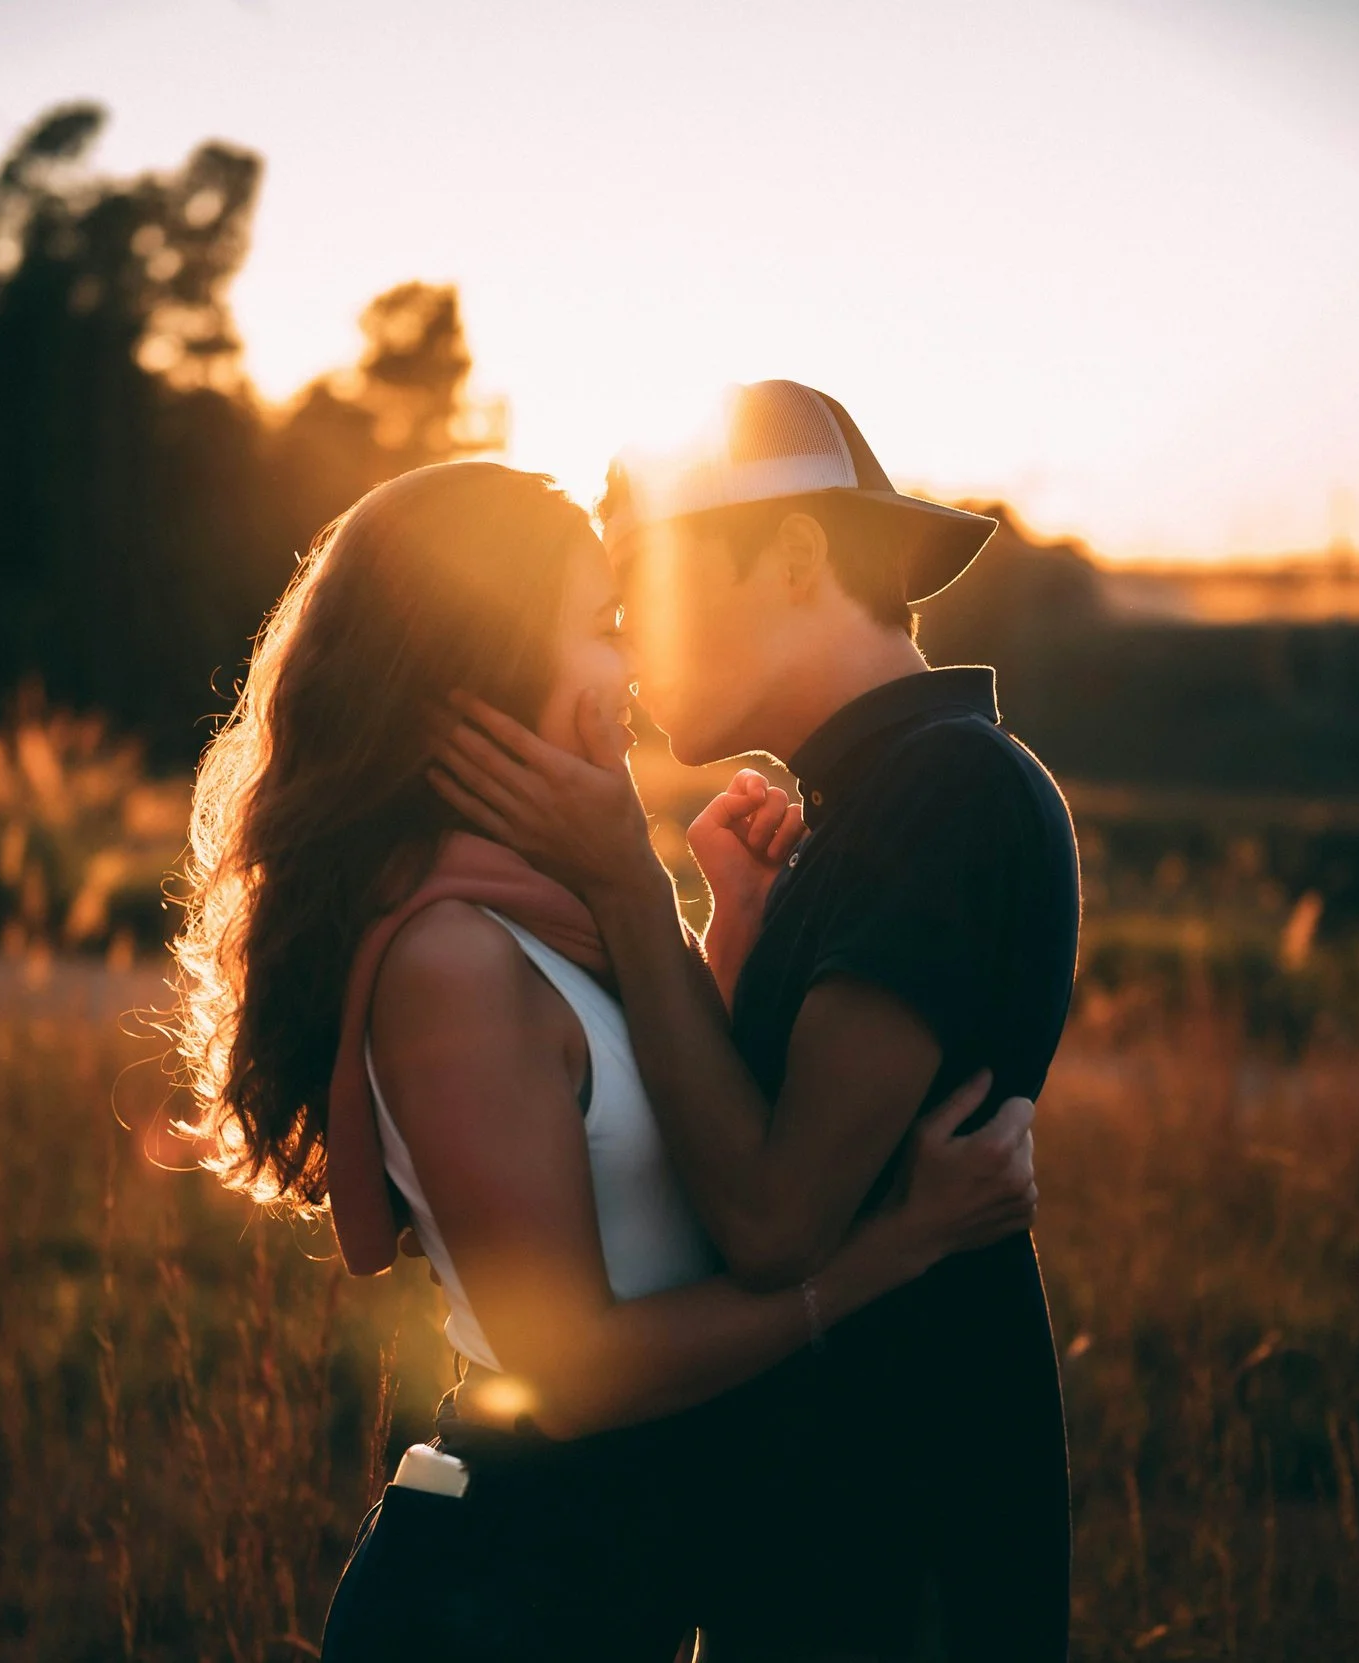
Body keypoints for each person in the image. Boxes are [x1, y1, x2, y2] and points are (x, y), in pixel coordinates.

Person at [166, 459, 1041, 1661]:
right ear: (486, 658)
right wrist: (895, 1244)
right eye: (599, 627)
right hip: (497, 1593)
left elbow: (670, 1151)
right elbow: (573, 1374)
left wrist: (727, 936)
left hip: (601, 1583)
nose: (630, 665)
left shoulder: (565, 917)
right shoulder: (448, 958)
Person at [430, 380, 1084, 1659]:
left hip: (901, 1558)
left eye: (646, 593)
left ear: (791, 557)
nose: (627, 651)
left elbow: (774, 1221)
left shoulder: (942, 793)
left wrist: (625, 880)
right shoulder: (868, 807)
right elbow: (757, 1151)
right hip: (836, 1532)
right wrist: (727, 936)